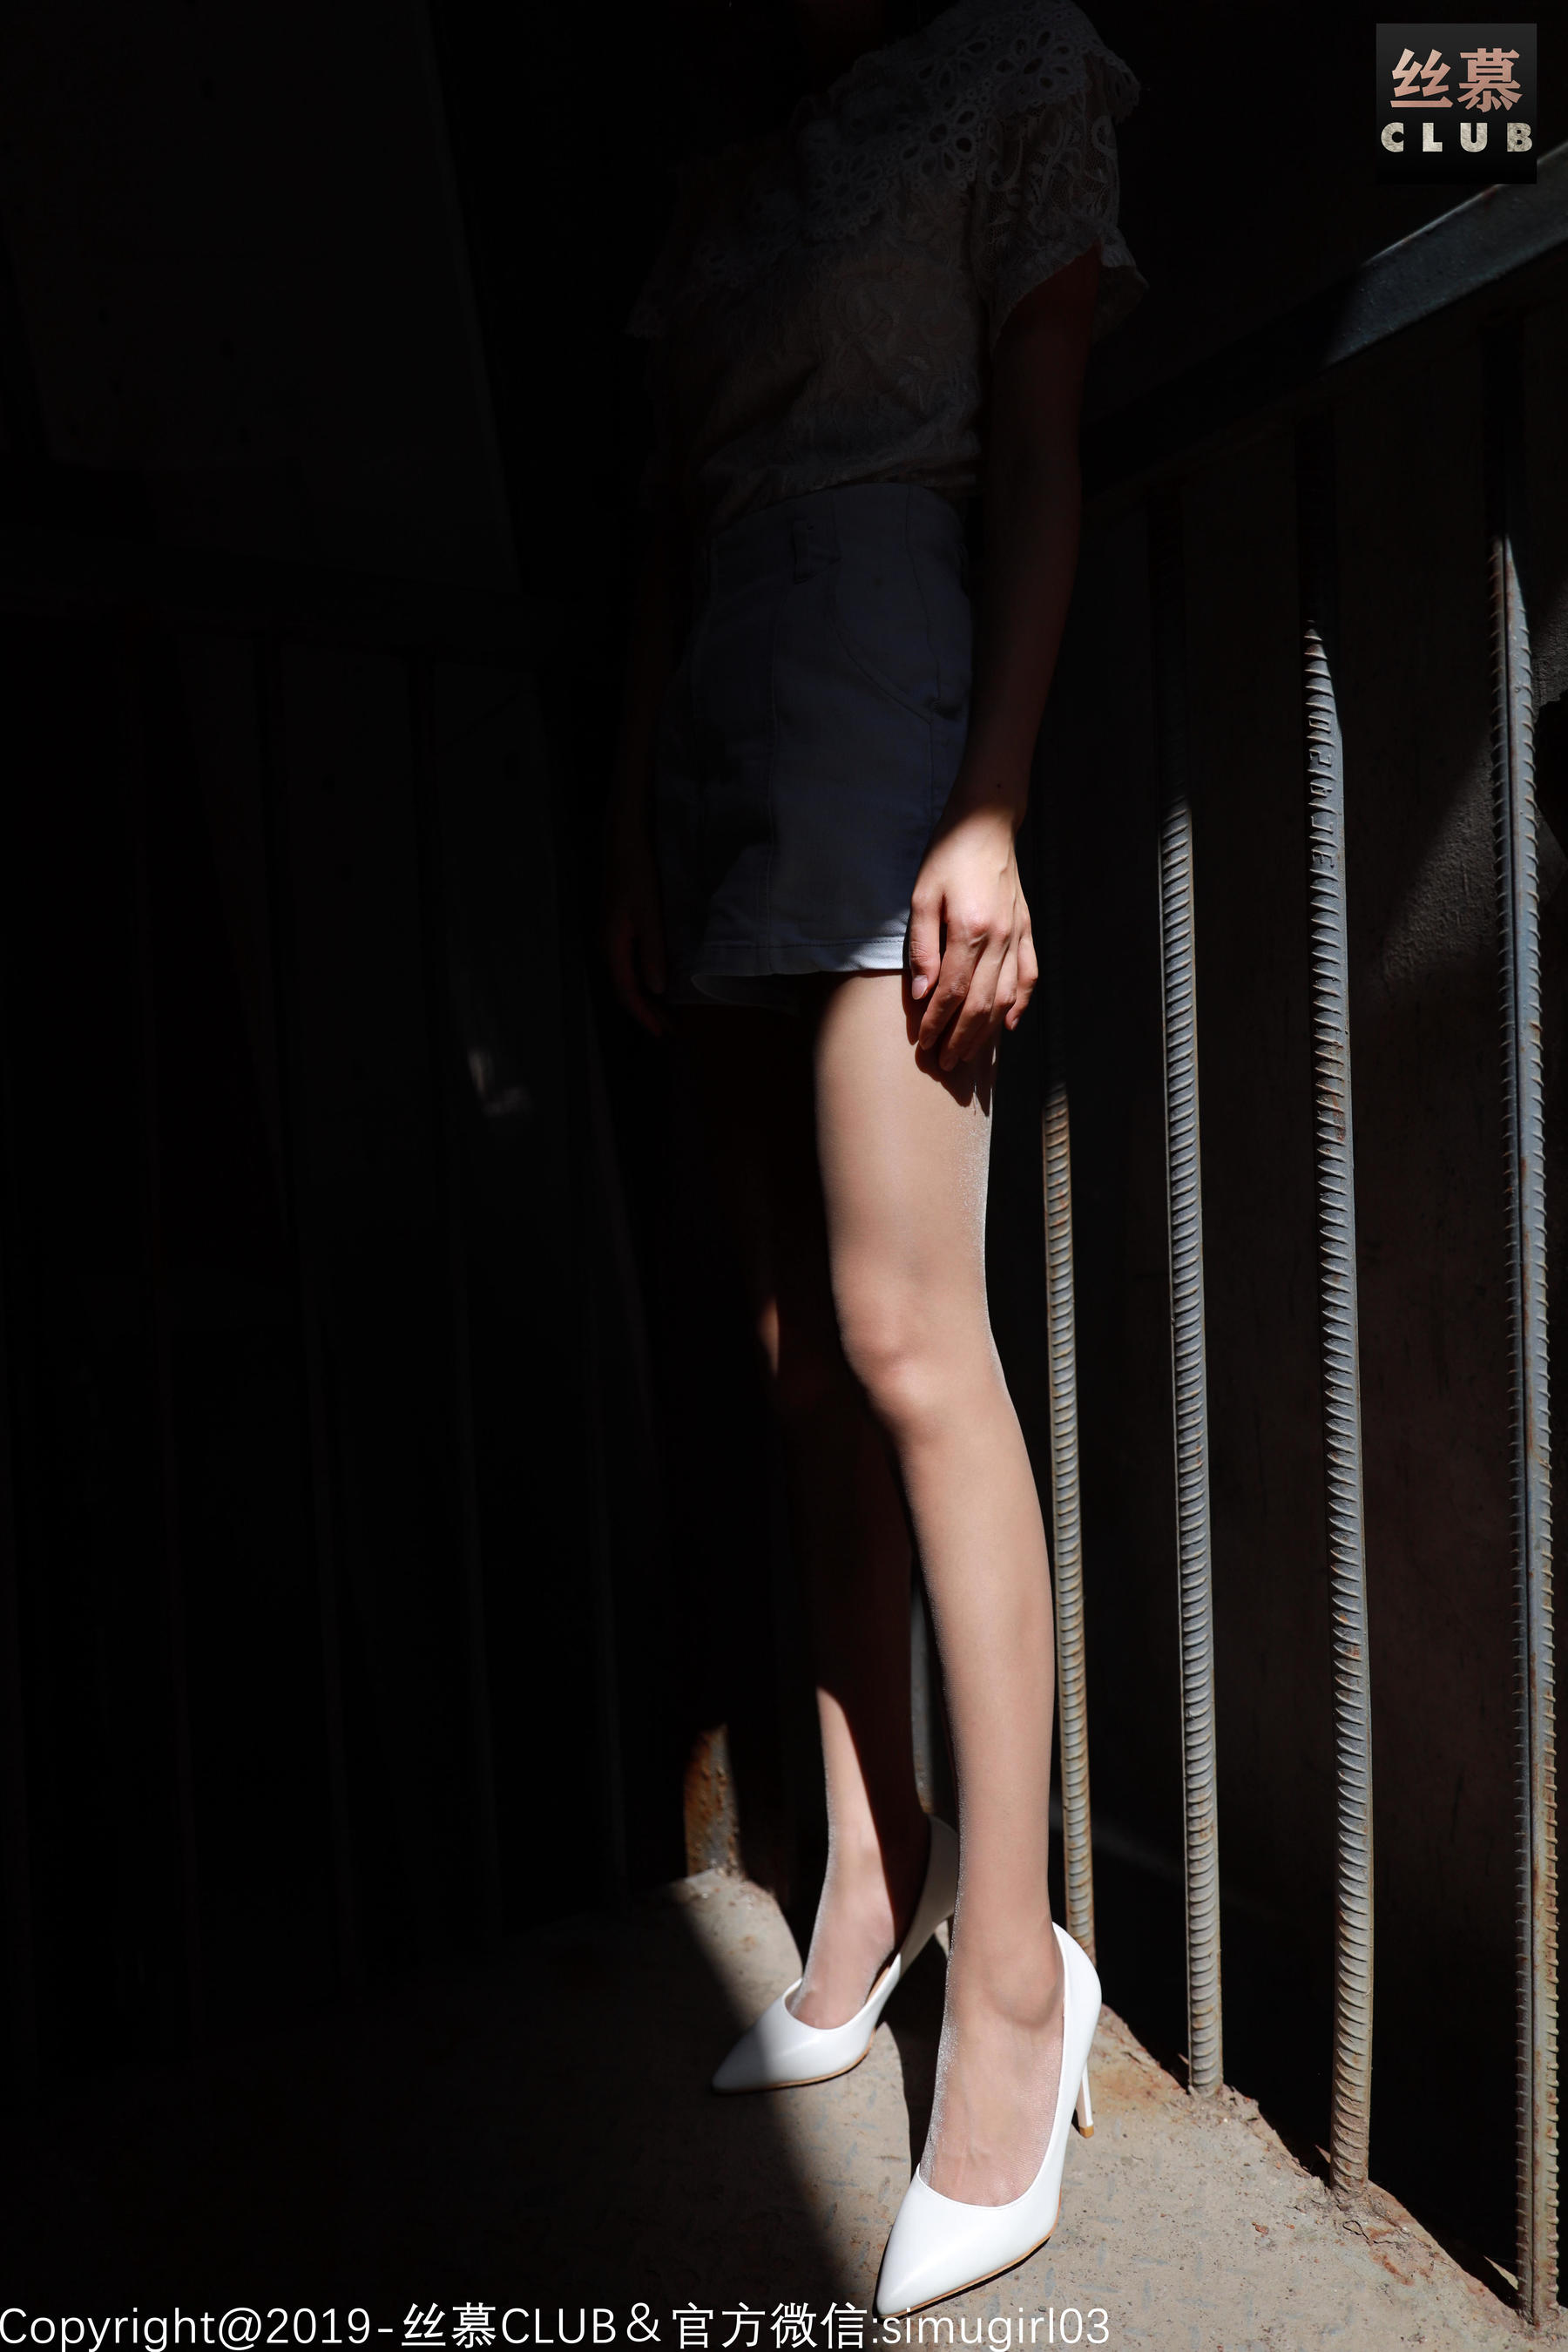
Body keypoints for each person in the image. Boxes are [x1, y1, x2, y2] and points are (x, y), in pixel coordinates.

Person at [603, 0, 1144, 2310]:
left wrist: (992, 800)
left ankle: (1016, 1981)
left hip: (883, 700)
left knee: (914, 1342)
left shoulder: (1007, 59)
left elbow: (1037, 455)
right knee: (798, 1359)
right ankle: (869, 1866)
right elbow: (670, 531)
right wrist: (631, 814)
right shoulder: (726, 164)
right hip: (721, 735)